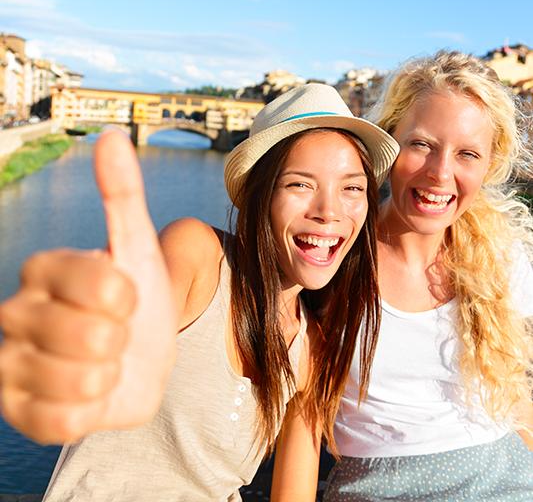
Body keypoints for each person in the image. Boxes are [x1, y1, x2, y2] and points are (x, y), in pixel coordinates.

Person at [0, 83, 399, 501]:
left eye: (352, 188)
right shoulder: (197, 255)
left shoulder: (311, 349)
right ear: (257, 196)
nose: (329, 211)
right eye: (300, 184)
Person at [272, 51, 533, 502]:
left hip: (507, 477)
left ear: (489, 165)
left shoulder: (501, 255)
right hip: (379, 488)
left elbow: (516, 398)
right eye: (422, 145)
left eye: (467, 154)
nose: (440, 173)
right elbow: (304, 418)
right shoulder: (334, 255)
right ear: (389, 141)